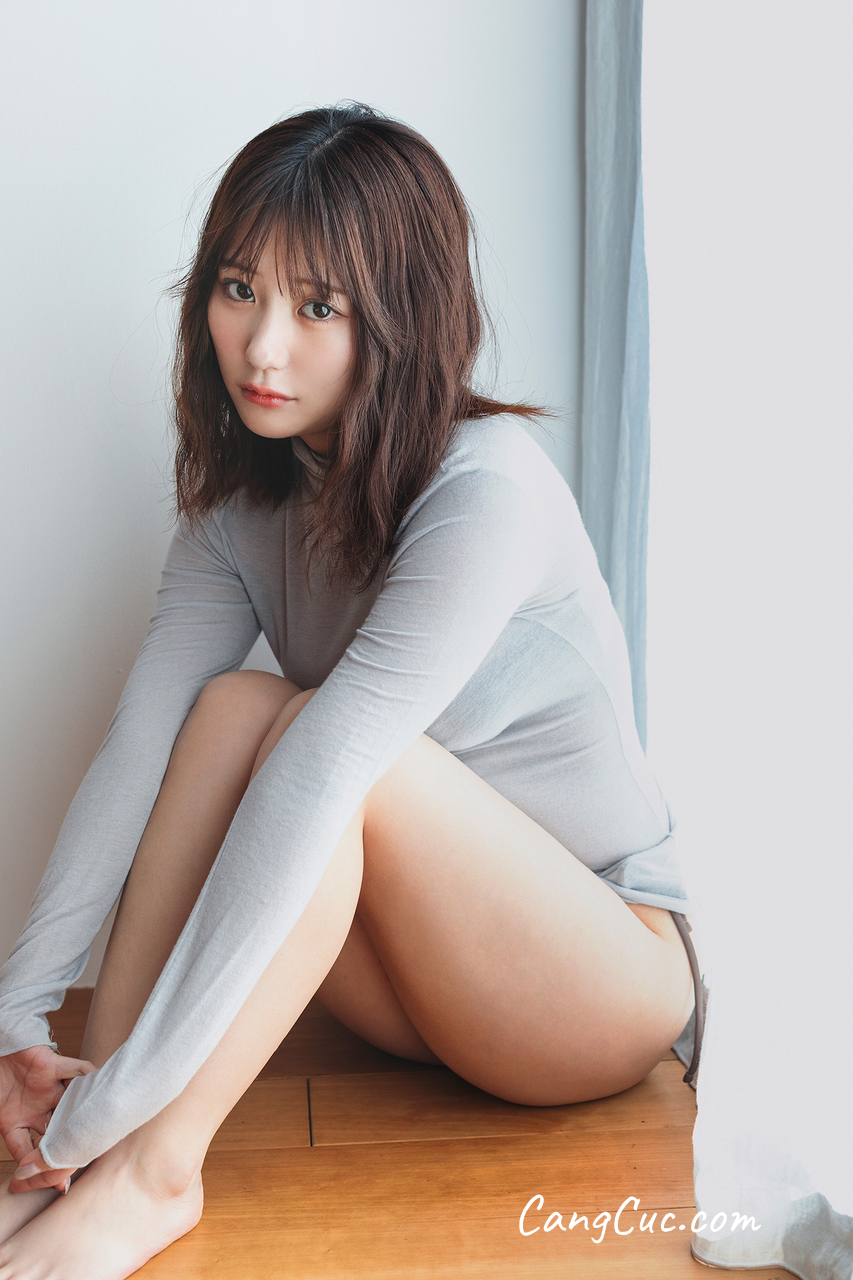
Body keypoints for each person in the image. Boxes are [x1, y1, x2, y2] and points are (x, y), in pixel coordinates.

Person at [0, 103, 696, 1279]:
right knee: (230, 709)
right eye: (239, 289)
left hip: (594, 980)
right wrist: (20, 1013)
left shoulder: (485, 491)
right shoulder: (241, 509)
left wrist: (111, 1105)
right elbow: (140, 744)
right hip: (421, 987)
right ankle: (76, 1159)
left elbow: (331, 769)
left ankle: (148, 1165)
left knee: (335, 750)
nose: (262, 347)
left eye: (317, 307)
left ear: (401, 316)